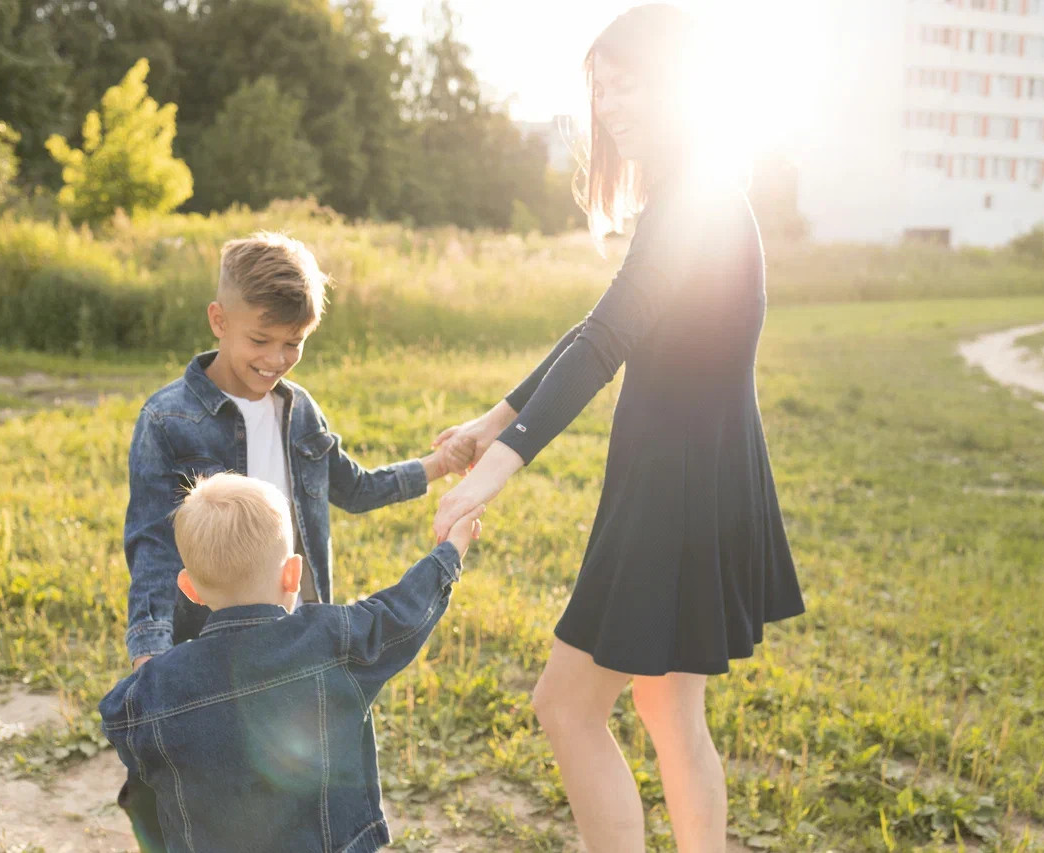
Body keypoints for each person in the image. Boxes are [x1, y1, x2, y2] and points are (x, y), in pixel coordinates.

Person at [430, 6, 806, 851]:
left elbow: (605, 341)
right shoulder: (697, 193)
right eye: (603, 89)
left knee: (565, 706)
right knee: (667, 704)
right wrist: (495, 420)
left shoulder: (699, 197)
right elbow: (603, 328)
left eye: (633, 82)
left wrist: (498, 468)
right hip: (700, 476)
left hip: (674, 487)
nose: (615, 105)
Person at [119, 231, 472, 849]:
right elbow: (152, 543)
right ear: (219, 320)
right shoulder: (168, 420)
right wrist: (151, 647)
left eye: (295, 344)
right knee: (218, 790)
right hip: (208, 636)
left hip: (294, 623)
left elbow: (354, 486)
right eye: (261, 340)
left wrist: (435, 468)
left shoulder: (298, 410)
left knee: (296, 770)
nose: (276, 359)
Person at [101, 472, 485, 853]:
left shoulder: (155, 688)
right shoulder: (331, 640)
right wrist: (450, 551)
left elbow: (119, 718)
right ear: (293, 574)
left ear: (189, 589)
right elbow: (401, 611)